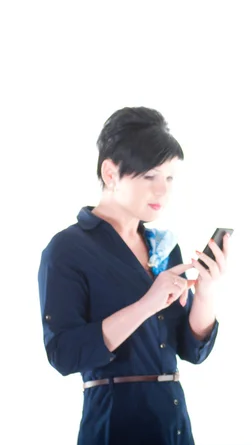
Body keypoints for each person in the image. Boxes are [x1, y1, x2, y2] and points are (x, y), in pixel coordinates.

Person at [37, 107, 229, 445]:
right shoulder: (67, 249)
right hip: (115, 423)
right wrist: (147, 303)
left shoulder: (164, 247)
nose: (163, 191)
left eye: (169, 179)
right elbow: (64, 354)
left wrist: (208, 292)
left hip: (174, 423)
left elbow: (190, 348)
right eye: (150, 176)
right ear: (111, 173)